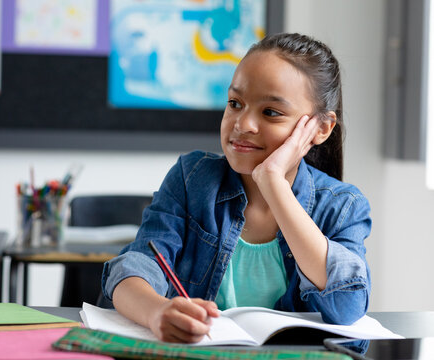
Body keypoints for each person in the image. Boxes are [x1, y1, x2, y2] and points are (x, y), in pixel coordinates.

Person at [102, 32, 371, 343]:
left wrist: (273, 183)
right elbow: (134, 267)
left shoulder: (343, 205)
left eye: (270, 112)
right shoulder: (192, 178)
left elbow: (348, 304)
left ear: (320, 128)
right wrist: (157, 312)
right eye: (235, 103)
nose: (243, 124)